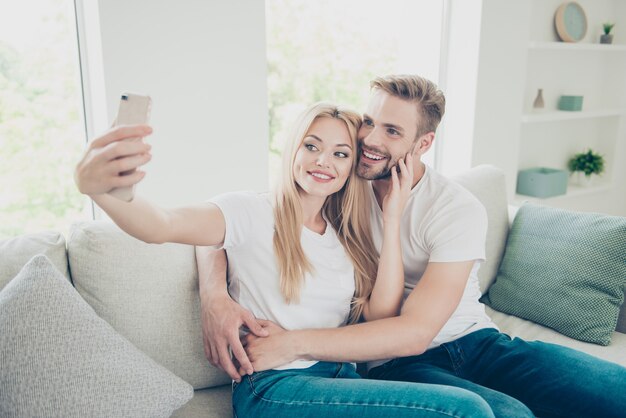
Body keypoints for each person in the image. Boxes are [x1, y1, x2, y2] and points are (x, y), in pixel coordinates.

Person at [199, 75, 626, 418]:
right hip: (396, 362)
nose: (369, 139)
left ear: (423, 144)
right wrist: (215, 297)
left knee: (615, 393)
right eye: (369, 121)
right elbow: (240, 217)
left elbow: (417, 330)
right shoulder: (340, 181)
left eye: (391, 131)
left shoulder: (455, 207)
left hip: (475, 340)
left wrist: (293, 341)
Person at [74, 102, 494, 418]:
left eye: (340, 154)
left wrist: (392, 214)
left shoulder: (343, 236)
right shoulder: (252, 212)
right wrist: (108, 191)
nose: (322, 161)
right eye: (312, 146)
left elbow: (381, 314)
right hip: (274, 384)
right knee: (466, 411)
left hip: (340, 376)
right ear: (293, 150)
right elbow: (162, 225)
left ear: (352, 167)